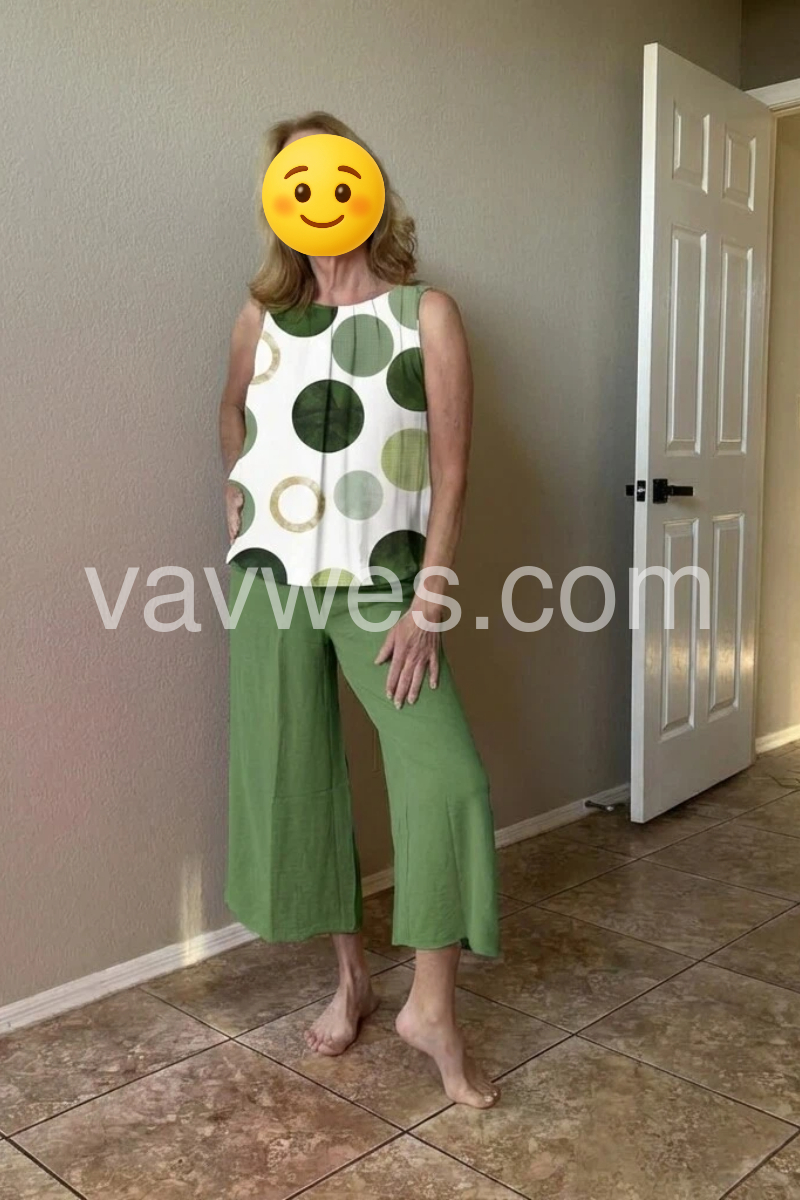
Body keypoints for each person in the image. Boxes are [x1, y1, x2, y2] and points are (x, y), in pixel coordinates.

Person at [218, 111, 501, 1108]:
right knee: (298, 778)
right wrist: (235, 485)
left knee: (447, 778)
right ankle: (350, 981)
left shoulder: (427, 315)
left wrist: (428, 600)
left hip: (383, 585)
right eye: (295, 182)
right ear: (277, 200)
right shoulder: (259, 318)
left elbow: (453, 471)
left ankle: (432, 1008)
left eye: (335, 178)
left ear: (366, 189)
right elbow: (231, 409)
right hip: (271, 582)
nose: (317, 199)